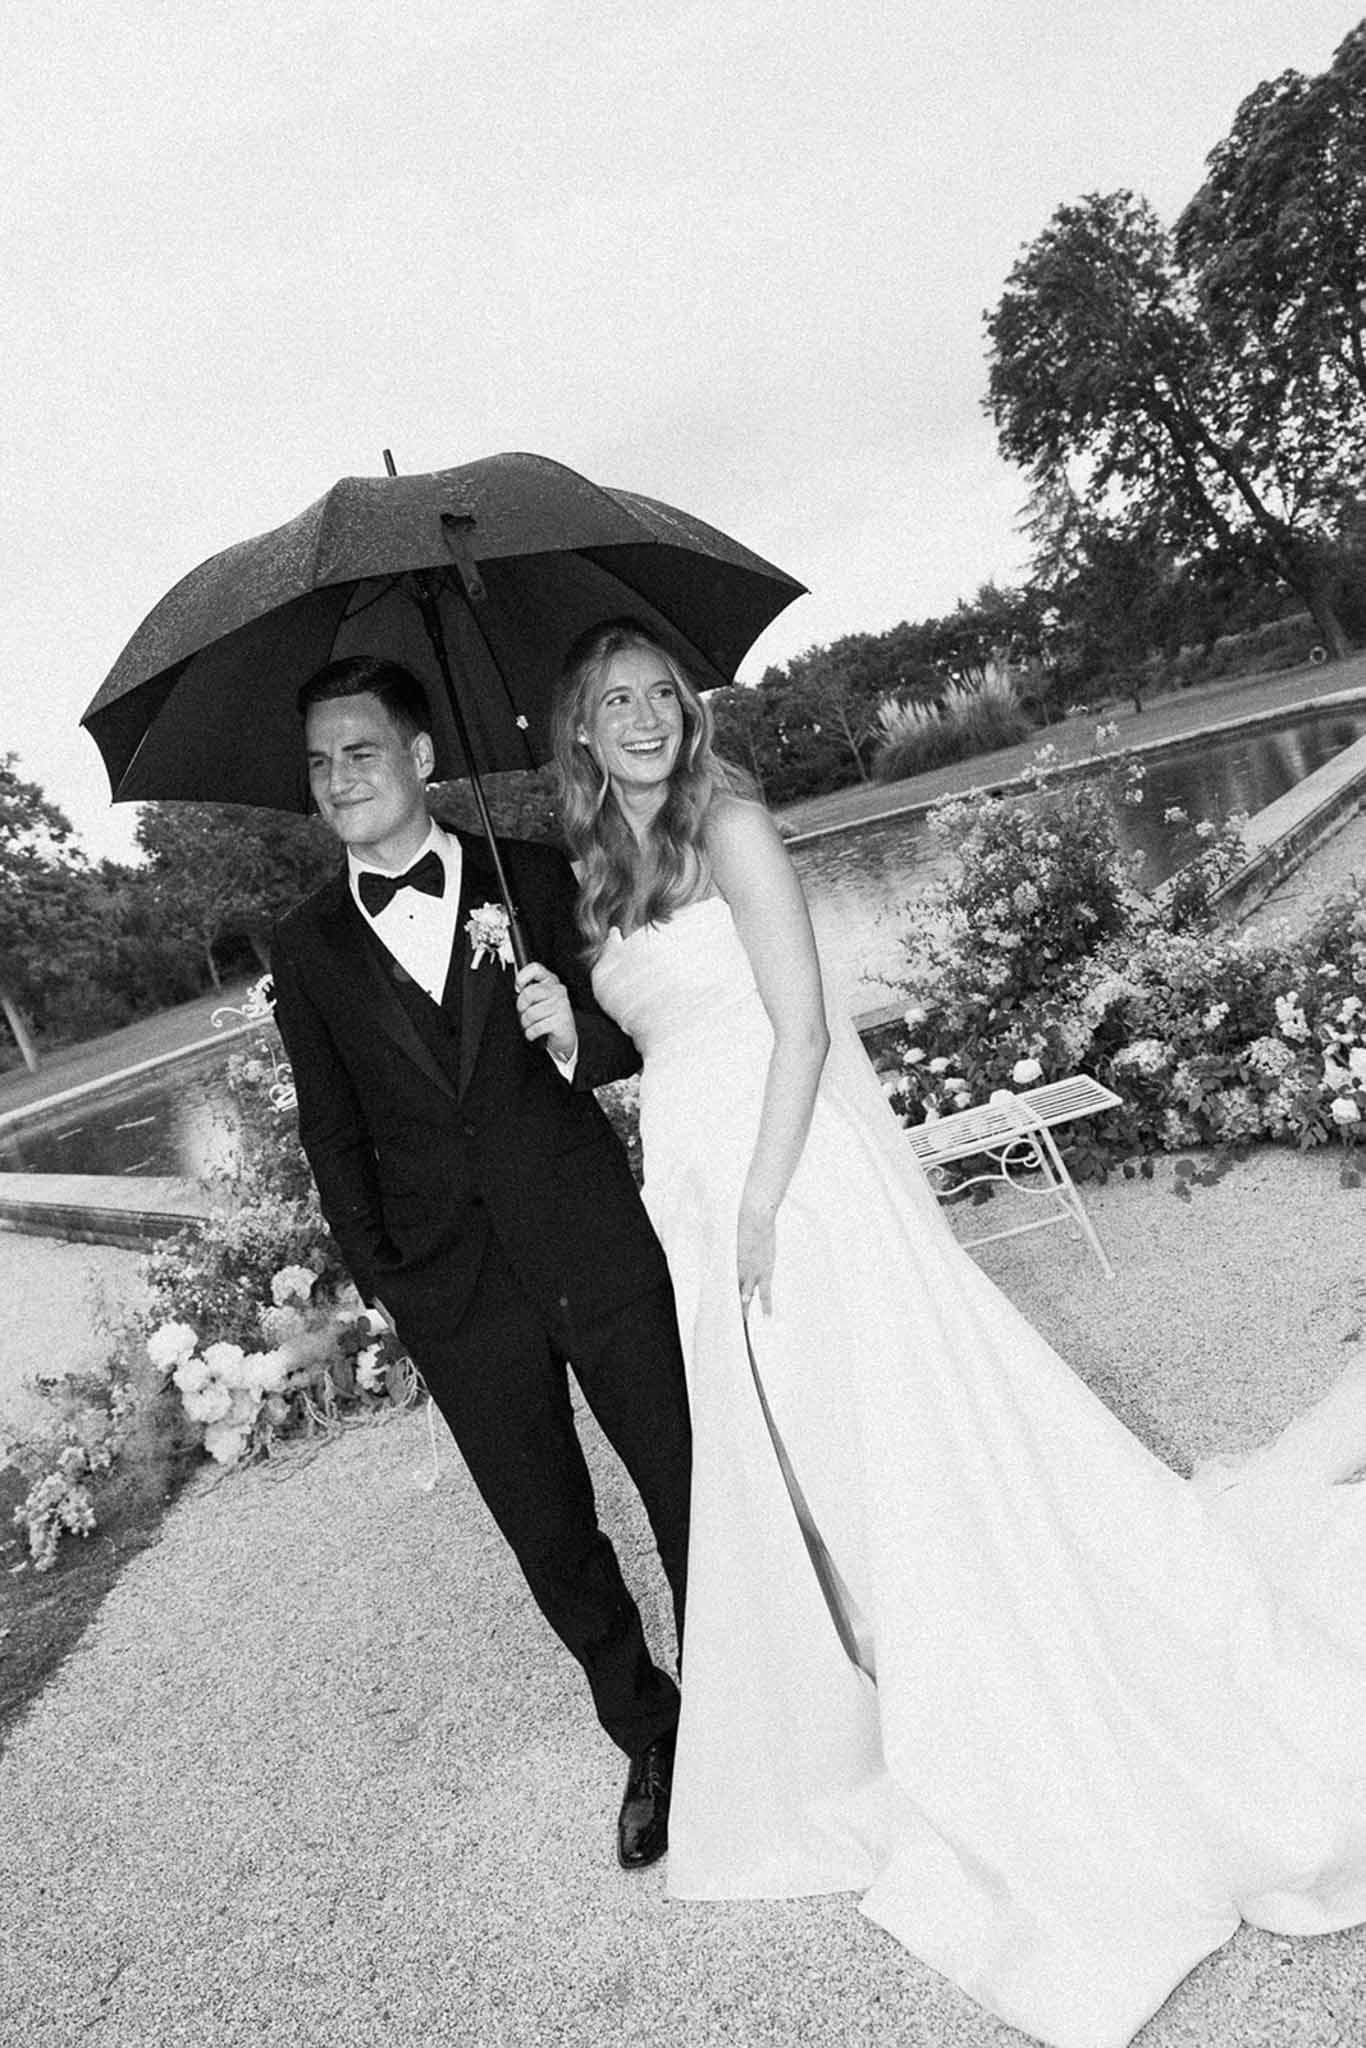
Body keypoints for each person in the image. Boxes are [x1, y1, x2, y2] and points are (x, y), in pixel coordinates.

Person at [542, 616, 1366, 2048]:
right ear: (576, 731)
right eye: (613, 701)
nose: (642, 716)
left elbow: (797, 1030)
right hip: (689, 1190)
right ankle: (877, 1685)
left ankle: (973, 1705)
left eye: (661, 694)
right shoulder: (593, 880)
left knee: (884, 1443)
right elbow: (655, 1037)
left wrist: (758, 1205)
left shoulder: (730, 827)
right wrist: (566, 1029)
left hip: (785, 1184)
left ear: (687, 712)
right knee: (797, 1459)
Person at [269, 653, 691, 1870]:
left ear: (420, 757)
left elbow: (640, 1029)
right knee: (550, 1531)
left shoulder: (538, 875)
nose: (337, 777)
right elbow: (328, 1125)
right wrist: (391, 1277)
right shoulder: (303, 945)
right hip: (454, 1291)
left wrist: (575, 1036)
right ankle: (646, 1730)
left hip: (591, 1240)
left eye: (359, 750)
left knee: (679, 1474)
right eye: (319, 762)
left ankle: (752, 1703)